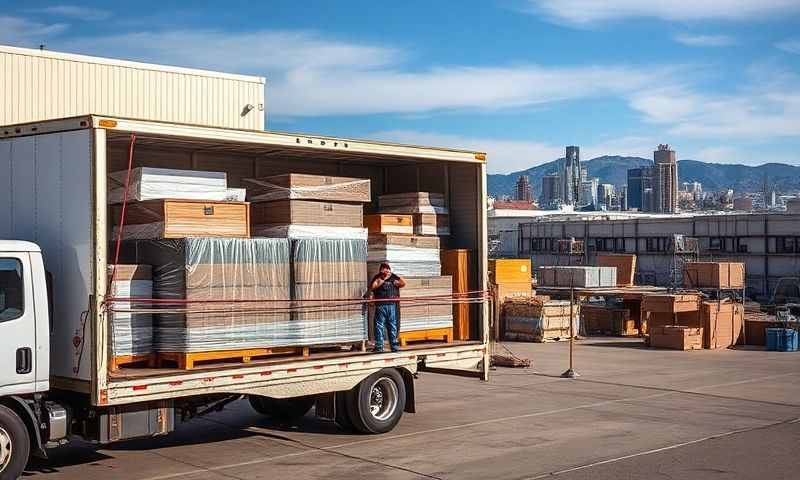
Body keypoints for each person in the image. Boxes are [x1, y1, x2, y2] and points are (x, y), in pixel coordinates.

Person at [369, 262, 406, 352]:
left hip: (391, 305)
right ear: (381, 270)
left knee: (392, 325)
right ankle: (379, 346)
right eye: (385, 270)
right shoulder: (378, 277)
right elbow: (373, 287)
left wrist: (394, 279)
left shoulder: (393, 277)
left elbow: (403, 282)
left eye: (388, 270)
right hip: (380, 305)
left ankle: (394, 346)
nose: (387, 272)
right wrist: (382, 278)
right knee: (379, 326)